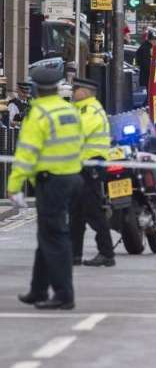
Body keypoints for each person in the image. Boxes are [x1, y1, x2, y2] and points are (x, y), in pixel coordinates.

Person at [9, 66, 84, 310]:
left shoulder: (39, 114)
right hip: (73, 178)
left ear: (36, 88)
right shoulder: (69, 110)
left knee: (55, 237)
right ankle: (38, 289)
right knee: (47, 234)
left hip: (52, 181)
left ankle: (64, 294)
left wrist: (14, 186)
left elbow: (26, 153)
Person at [70, 78, 115, 268]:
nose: (73, 92)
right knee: (76, 213)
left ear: (86, 92)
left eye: (76, 89)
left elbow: (78, 132)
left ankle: (106, 253)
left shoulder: (90, 110)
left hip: (91, 167)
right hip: (82, 166)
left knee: (93, 211)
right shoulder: (81, 109)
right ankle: (74, 255)